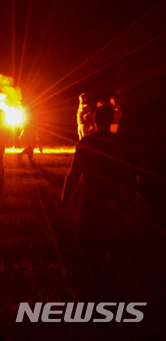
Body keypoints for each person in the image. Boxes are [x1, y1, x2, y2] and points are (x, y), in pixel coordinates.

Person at [61, 105, 137, 295]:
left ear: (95, 120)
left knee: (89, 237)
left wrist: (66, 196)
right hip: (115, 199)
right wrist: (131, 195)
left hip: (91, 199)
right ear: (111, 119)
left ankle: (95, 277)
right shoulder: (121, 142)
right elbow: (131, 172)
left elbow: (74, 172)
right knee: (114, 239)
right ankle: (110, 279)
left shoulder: (87, 142)